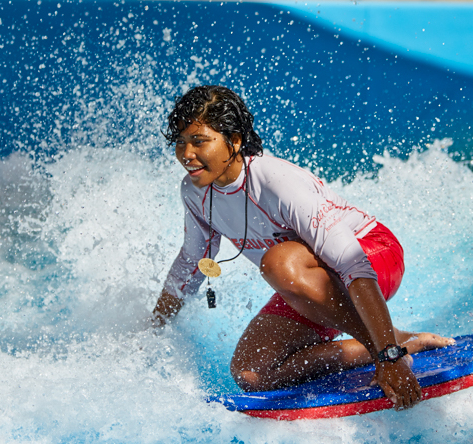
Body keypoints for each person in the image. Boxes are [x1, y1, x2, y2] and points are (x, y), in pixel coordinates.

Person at [151, 85, 453, 410]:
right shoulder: (196, 193)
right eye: (181, 142)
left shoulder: (275, 181)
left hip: (374, 254)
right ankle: (401, 340)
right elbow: (191, 263)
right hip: (309, 279)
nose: (187, 154)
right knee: (253, 373)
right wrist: (154, 328)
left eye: (199, 141)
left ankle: (388, 348)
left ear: (235, 141)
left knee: (279, 263)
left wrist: (389, 358)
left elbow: (353, 265)